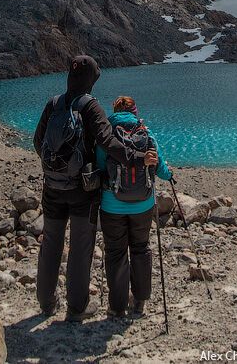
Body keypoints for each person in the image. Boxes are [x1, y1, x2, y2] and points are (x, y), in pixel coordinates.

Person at [32, 55, 153, 322]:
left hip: (52, 187)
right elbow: (108, 143)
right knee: (80, 246)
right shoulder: (90, 106)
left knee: (51, 242)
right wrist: (137, 159)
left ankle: (46, 302)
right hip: (82, 190)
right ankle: (76, 309)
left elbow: (37, 142)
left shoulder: (53, 104)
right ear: (91, 79)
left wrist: (56, 168)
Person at [97, 96, 173, 318]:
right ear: (134, 111)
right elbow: (159, 166)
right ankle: (139, 301)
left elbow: (101, 166)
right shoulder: (146, 133)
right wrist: (170, 176)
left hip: (112, 205)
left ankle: (117, 306)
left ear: (114, 111)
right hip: (143, 204)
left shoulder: (107, 135)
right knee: (140, 248)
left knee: (115, 252)